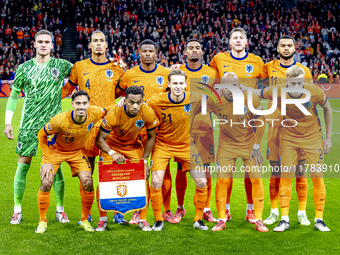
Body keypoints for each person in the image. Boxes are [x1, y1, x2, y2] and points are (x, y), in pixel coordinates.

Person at [4, 30, 73, 225]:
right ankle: (17, 211)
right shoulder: (24, 68)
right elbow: (13, 95)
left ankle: (60, 211)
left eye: (47, 42)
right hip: (28, 124)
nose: (44, 45)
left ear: (52, 45)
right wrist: (8, 122)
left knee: (56, 170)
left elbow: (81, 74)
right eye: (40, 42)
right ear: (34, 44)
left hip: (53, 126)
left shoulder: (61, 65)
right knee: (23, 166)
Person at [61, 30, 125, 223]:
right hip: (86, 126)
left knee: (110, 172)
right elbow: (66, 90)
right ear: (89, 45)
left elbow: (124, 93)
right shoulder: (79, 67)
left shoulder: (117, 69)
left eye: (102, 41)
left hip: (108, 128)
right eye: (95, 41)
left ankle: (116, 213)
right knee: (86, 173)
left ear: (106, 46)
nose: (98, 43)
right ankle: (86, 213)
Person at [259, 66, 332, 232]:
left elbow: (327, 109)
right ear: (286, 82)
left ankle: (319, 219)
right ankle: (284, 219)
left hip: (312, 138)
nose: (297, 87)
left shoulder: (314, 91)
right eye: (293, 84)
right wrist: (238, 88)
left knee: (316, 176)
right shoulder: (278, 90)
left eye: (300, 83)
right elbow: (257, 92)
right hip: (289, 139)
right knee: (286, 176)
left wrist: (327, 138)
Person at [209, 27, 267, 223]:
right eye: (235, 37)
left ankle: (251, 210)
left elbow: (269, 83)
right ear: (230, 42)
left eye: (241, 37)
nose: (238, 40)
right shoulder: (218, 59)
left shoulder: (257, 61)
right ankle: (224, 210)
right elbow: (209, 79)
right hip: (227, 120)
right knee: (226, 174)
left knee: (251, 174)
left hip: (248, 120)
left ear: (246, 41)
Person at [35, 90, 111, 233]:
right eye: (78, 103)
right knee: (46, 182)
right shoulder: (59, 120)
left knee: (88, 182)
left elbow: (108, 109)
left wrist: (121, 103)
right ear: (72, 104)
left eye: (84, 103)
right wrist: (46, 159)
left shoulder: (94, 112)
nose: (81, 107)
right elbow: (41, 134)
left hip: (76, 152)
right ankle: (42, 221)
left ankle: (84, 220)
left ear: (89, 104)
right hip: (55, 152)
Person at [162, 38, 219, 223]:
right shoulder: (177, 72)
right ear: (184, 52)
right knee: (181, 169)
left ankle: (206, 209)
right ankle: (180, 207)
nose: (194, 50)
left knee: (207, 169)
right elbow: (166, 96)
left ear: (202, 52)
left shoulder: (212, 72)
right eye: (190, 48)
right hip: (183, 130)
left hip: (205, 128)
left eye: (197, 48)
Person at [202, 72, 268, 232]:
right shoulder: (214, 99)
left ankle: (258, 219)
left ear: (239, 86)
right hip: (226, 146)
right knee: (222, 181)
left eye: (234, 86)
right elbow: (197, 106)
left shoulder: (250, 97)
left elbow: (261, 121)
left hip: (248, 144)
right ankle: (221, 219)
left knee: (257, 179)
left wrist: (257, 146)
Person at [147, 69, 208, 231]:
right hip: (163, 145)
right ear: (168, 84)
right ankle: (158, 219)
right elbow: (139, 106)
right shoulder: (156, 101)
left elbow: (219, 98)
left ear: (186, 84)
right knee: (156, 181)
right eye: (175, 83)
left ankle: (198, 219)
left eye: (181, 83)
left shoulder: (194, 97)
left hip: (187, 145)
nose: (178, 87)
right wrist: (123, 100)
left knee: (202, 181)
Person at [117, 39, 170, 224]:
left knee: (162, 174)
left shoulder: (166, 74)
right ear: (139, 53)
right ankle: (138, 210)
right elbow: (118, 95)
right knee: (139, 172)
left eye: (151, 51)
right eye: (144, 51)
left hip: (160, 132)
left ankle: (165, 209)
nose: (148, 54)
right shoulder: (129, 75)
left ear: (157, 54)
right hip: (134, 133)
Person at [263, 35, 314, 226]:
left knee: (300, 170)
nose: (286, 48)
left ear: (295, 47)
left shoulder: (304, 72)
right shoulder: (268, 67)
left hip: (297, 128)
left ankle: (302, 212)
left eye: (289, 45)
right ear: (277, 48)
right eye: (282, 46)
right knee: (275, 170)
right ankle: (274, 212)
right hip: (275, 125)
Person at [95, 86, 158, 231]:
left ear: (143, 101)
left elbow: (151, 136)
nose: (135, 106)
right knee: (104, 180)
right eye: (131, 102)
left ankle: (142, 219)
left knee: (144, 176)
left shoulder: (147, 112)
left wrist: (144, 161)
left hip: (133, 146)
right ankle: (102, 220)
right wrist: (112, 153)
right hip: (111, 146)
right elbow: (99, 139)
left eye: (139, 102)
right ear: (124, 100)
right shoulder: (115, 113)